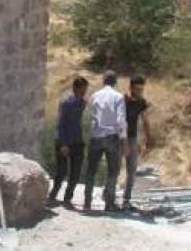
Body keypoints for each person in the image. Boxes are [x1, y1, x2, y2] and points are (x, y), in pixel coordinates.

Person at [83, 70, 129, 212]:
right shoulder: (118, 97)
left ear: (104, 81)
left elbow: (88, 115)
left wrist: (91, 131)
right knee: (112, 171)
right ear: (115, 82)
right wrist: (124, 139)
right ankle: (109, 204)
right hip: (111, 137)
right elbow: (121, 120)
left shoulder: (95, 95)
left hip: (96, 136)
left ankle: (87, 203)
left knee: (91, 170)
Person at [48, 76, 88, 207]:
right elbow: (60, 124)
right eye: (82, 89)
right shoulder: (66, 102)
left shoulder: (82, 103)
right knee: (61, 172)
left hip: (77, 141)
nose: (84, 92)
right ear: (75, 89)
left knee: (75, 173)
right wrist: (63, 144)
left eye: (85, 89)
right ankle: (53, 195)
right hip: (63, 141)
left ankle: (67, 198)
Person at [122, 75, 152, 210]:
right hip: (120, 138)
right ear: (131, 88)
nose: (140, 92)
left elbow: (145, 120)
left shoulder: (141, 102)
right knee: (114, 168)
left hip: (133, 138)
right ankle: (109, 198)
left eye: (142, 89)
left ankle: (126, 200)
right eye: (138, 89)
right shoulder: (123, 100)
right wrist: (125, 140)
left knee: (132, 170)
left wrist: (148, 139)